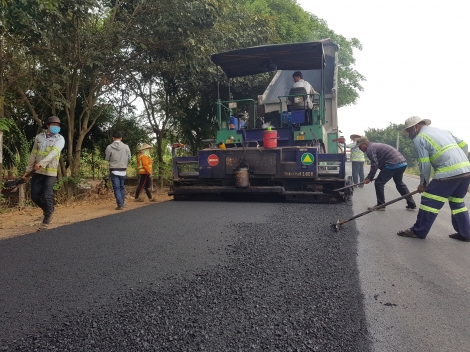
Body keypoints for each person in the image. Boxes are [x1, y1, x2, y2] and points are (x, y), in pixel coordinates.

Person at [397, 116, 470, 241]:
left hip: (448, 173)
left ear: (415, 126)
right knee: (457, 202)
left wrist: (423, 183)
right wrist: (461, 162)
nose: (409, 134)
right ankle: (466, 233)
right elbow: (464, 144)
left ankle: (418, 231)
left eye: (409, 131)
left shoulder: (419, 138)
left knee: (429, 201)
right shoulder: (443, 131)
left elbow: (424, 164)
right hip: (466, 170)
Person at [23, 116, 65, 230]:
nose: (56, 127)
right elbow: (33, 154)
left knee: (47, 195)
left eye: (58, 125)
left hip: (50, 173)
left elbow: (54, 153)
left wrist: (42, 163)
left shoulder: (60, 139)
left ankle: (47, 218)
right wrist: (27, 172)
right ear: (48, 125)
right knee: (35, 196)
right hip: (37, 171)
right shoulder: (39, 137)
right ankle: (49, 210)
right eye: (54, 125)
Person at [356, 136, 416, 211]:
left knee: (378, 183)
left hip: (393, 164)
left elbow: (374, 164)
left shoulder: (370, 149)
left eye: (360, 146)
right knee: (399, 183)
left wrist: (369, 178)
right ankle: (411, 204)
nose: (359, 149)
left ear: (365, 143)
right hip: (402, 163)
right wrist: (370, 177)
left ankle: (381, 205)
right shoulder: (374, 146)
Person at [105, 131, 131, 210]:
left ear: (113, 138)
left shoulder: (109, 147)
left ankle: (120, 204)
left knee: (116, 188)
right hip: (123, 169)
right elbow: (129, 158)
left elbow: (107, 158)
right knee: (122, 186)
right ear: (121, 138)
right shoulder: (126, 147)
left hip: (114, 169)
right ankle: (122, 202)